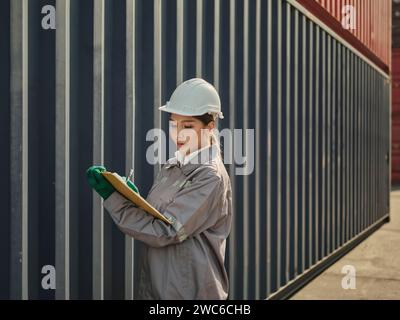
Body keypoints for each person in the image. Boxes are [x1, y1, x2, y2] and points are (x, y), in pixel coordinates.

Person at [86, 78, 232, 299]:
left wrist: (113, 198)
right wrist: (129, 195)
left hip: (188, 293)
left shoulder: (209, 176)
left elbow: (167, 231)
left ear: (209, 126)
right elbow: (158, 216)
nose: (178, 134)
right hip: (159, 285)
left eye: (188, 126)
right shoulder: (175, 164)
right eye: (174, 123)